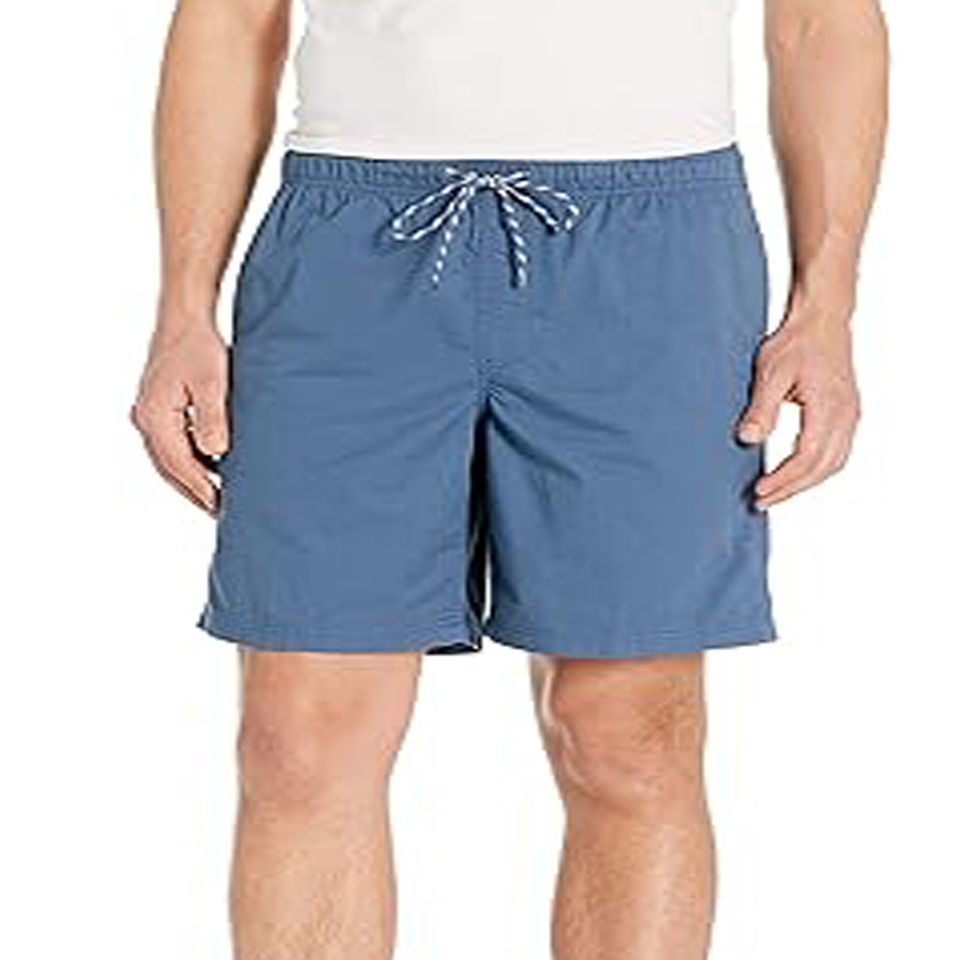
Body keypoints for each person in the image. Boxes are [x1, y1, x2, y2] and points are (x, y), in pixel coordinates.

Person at [131, 0, 888, 956]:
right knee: (302, 735)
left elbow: (824, 22)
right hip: (350, 241)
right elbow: (232, 17)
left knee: (629, 731)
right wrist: (182, 308)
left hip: (652, 250)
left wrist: (827, 308)